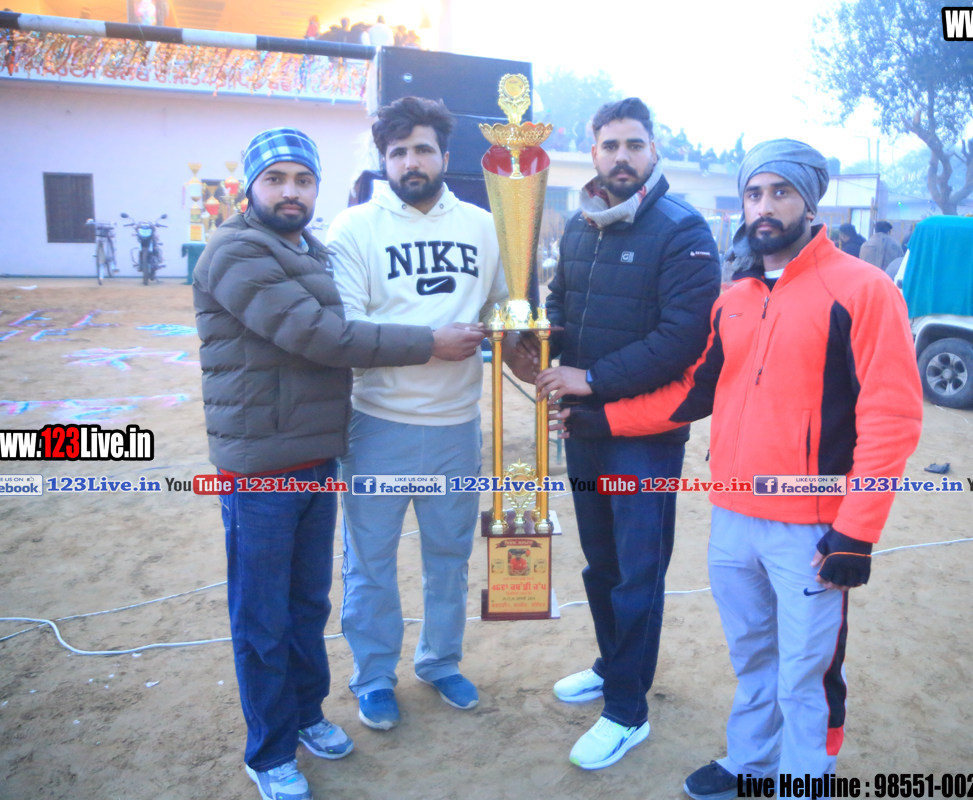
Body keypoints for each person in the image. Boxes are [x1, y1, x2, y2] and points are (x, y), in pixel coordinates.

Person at [553, 139, 923, 798]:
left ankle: (805, 778)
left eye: (781, 192)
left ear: (811, 202)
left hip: (811, 527)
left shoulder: (863, 290)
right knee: (752, 654)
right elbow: (690, 393)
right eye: (754, 193)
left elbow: (891, 418)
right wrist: (601, 419)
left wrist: (857, 532)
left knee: (806, 670)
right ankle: (750, 761)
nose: (764, 207)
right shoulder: (736, 297)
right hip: (732, 518)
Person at [193, 127, 481, 800]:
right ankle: (269, 752)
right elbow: (319, 334)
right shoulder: (236, 250)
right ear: (250, 188)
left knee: (305, 605)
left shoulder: (310, 250)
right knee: (262, 616)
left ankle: (305, 716)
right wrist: (428, 341)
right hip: (261, 467)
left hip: (315, 455)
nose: (290, 192)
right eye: (275, 180)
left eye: (302, 180)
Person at [326, 97, 531, 733]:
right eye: (398, 152)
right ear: (383, 161)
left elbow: (503, 307)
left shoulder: (485, 226)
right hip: (377, 425)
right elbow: (346, 331)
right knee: (370, 563)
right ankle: (374, 675)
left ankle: (440, 660)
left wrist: (526, 345)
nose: (410, 162)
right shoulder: (353, 228)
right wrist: (429, 342)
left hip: (455, 427)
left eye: (422, 149)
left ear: (445, 155)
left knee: (449, 557)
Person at [530, 97, 722, 771]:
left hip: (644, 437)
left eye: (633, 144)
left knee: (638, 571)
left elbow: (681, 339)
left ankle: (626, 711)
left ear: (653, 151)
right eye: (609, 145)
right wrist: (537, 343)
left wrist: (590, 378)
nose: (621, 156)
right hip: (584, 428)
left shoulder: (682, 229)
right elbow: (560, 301)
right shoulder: (581, 225)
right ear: (594, 152)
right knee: (601, 563)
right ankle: (615, 667)